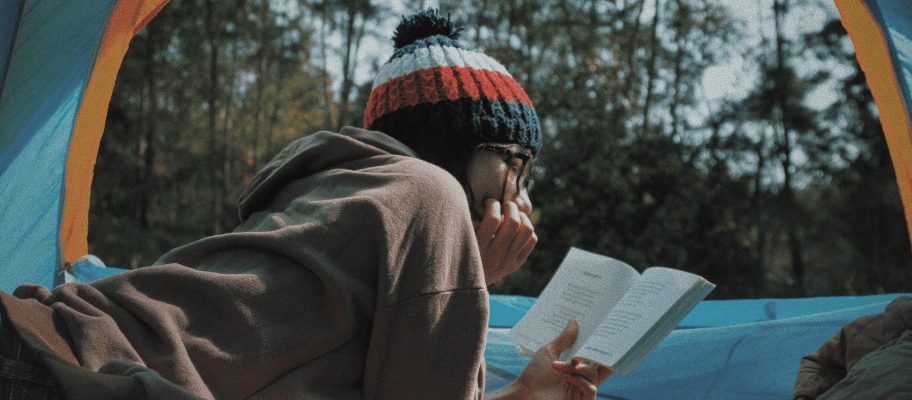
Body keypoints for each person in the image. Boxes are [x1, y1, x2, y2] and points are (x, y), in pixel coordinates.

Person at [0, 9, 611, 400]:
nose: (523, 196)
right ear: (455, 147)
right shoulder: (431, 193)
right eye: (515, 163)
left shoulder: (345, 196)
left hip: (43, 348)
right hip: (61, 371)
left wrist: (524, 395)